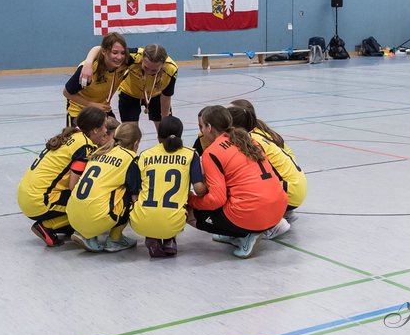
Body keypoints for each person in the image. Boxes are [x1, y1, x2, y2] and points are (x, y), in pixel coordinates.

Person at [188, 106, 290, 259]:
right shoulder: (249, 140)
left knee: (190, 213)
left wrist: (191, 200)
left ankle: (246, 234)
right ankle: (240, 232)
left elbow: (217, 199)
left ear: (209, 127)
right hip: (279, 209)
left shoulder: (212, 152)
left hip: (253, 213)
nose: (201, 131)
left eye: (201, 126)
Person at [17, 106, 110, 246]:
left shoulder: (73, 135)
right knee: (90, 204)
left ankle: (63, 223)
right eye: (104, 127)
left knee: (76, 221)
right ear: (95, 130)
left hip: (26, 195)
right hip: (40, 201)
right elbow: (74, 186)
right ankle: (47, 226)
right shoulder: (84, 145)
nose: (105, 131)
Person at [126, 116, 207, 258]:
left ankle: (152, 236)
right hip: (174, 220)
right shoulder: (190, 154)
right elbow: (199, 189)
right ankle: (169, 238)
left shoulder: (144, 155)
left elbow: (134, 188)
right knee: (185, 202)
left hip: (140, 221)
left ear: (158, 137)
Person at [68, 122, 142, 253]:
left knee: (104, 189)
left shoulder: (100, 151)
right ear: (136, 143)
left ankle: (88, 234)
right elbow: (134, 192)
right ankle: (115, 239)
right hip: (95, 217)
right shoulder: (131, 157)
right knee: (128, 192)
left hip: (72, 215)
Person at [227, 104, 306, 219]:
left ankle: (270, 223)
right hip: (297, 186)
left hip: (289, 192)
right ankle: (281, 212)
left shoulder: (247, 141)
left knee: (237, 182)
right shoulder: (260, 132)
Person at [80, 43, 177, 125]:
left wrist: (165, 120)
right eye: (146, 67)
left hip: (156, 96)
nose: (149, 72)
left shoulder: (171, 69)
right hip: (129, 94)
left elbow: (166, 96)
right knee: (130, 136)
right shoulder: (133, 56)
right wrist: (88, 63)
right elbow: (100, 49)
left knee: (165, 133)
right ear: (142, 58)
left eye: (154, 70)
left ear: (163, 64)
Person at [63, 33, 128, 125]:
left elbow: (146, 54)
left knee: (119, 135)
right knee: (81, 139)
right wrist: (92, 105)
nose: (119, 57)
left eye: (123, 53)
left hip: (101, 109)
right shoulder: (88, 70)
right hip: (80, 111)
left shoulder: (126, 62)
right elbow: (67, 93)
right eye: (115, 53)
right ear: (104, 52)